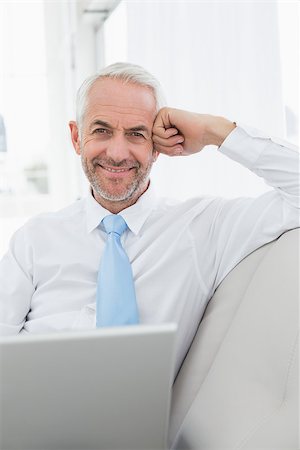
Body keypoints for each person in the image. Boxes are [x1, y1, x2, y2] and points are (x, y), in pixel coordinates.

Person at [0, 62, 299, 375]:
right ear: (76, 137)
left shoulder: (202, 229)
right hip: (30, 416)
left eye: (136, 134)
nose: (117, 153)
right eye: (101, 130)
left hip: (140, 422)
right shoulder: (34, 239)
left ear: (158, 146)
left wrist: (214, 131)